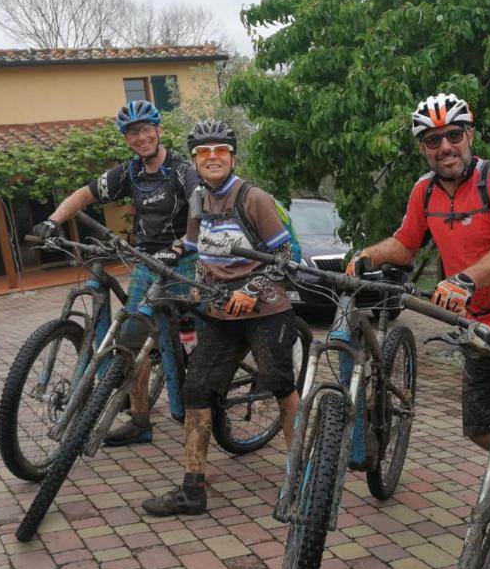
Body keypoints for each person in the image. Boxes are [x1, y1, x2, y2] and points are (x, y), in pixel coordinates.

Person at [349, 92, 490, 504]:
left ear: (469, 135)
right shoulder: (424, 191)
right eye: (433, 141)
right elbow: (406, 243)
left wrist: (463, 281)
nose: (445, 147)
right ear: (423, 148)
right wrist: (367, 256)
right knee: (482, 428)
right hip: (480, 326)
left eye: (453, 134)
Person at [140, 119, 300, 516]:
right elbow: (194, 242)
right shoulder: (199, 198)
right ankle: (192, 489)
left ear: (232, 156)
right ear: (195, 160)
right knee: (197, 391)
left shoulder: (253, 198)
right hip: (219, 310)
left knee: (280, 385)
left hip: (265, 309)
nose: (212, 158)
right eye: (204, 152)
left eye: (220, 151)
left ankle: (302, 475)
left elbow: (285, 257)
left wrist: (250, 291)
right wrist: (171, 254)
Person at [32, 100, 199, 446]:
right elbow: (84, 194)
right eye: (132, 133)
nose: (140, 138)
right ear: (127, 139)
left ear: (158, 131)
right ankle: (140, 421)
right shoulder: (130, 172)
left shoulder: (183, 171)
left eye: (145, 130)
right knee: (129, 341)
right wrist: (52, 221)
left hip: (184, 261)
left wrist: (183, 246)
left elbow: (202, 216)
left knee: (199, 334)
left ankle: (202, 393)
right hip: (146, 262)